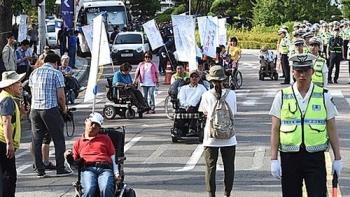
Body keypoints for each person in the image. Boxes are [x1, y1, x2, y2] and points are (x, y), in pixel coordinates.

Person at [269, 53, 342, 197]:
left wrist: (337, 158)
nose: (302, 74)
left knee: (318, 194)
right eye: (299, 70)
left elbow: (332, 128)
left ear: (312, 72)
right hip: (290, 156)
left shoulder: (324, 95)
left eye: (306, 70)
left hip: (315, 156)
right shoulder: (282, 96)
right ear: (293, 72)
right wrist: (273, 159)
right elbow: (275, 128)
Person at [29, 53, 73, 178]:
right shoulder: (56, 73)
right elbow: (61, 96)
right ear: (56, 63)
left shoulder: (34, 73)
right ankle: (60, 168)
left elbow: (32, 92)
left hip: (35, 109)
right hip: (50, 108)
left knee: (37, 140)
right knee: (58, 139)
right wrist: (64, 109)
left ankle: (39, 169)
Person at [198, 66, 237, 197]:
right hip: (229, 137)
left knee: (210, 167)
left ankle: (211, 194)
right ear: (223, 80)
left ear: (211, 81)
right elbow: (234, 112)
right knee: (229, 167)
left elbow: (204, 111)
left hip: (211, 136)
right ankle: (227, 193)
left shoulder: (206, 95)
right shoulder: (231, 94)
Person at [67, 112, 120, 197]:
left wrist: (116, 172)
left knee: (106, 187)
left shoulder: (105, 139)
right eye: (92, 123)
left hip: (105, 168)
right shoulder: (78, 143)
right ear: (86, 121)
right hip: (88, 169)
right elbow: (74, 167)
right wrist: (68, 158)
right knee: (89, 189)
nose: (94, 126)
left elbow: (113, 156)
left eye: (97, 125)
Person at [0, 71, 29, 197]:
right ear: (10, 85)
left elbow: (11, 121)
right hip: (3, 142)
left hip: (3, 141)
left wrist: (22, 113)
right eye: (18, 82)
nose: (20, 85)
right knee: (9, 176)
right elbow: (6, 121)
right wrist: (9, 143)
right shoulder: (7, 99)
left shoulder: (6, 97)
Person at [174, 70, 206, 137]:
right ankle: (179, 130)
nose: (194, 78)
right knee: (180, 112)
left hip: (196, 107)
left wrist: (191, 106)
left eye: (196, 76)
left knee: (193, 109)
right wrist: (186, 106)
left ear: (199, 78)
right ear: (190, 78)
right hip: (184, 106)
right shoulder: (184, 88)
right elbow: (181, 99)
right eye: (192, 76)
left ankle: (192, 129)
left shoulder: (201, 88)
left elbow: (205, 97)